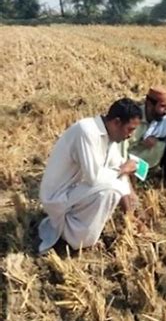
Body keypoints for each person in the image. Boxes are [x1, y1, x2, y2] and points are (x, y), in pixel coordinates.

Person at [38, 98, 142, 253]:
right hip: (57, 196)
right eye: (130, 129)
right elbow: (94, 177)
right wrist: (124, 170)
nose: (131, 136)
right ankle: (73, 236)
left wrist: (131, 216)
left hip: (74, 191)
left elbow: (116, 168)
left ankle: (73, 227)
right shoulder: (86, 131)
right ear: (117, 122)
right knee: (112, 189)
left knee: (117, 184)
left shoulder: (110, 137)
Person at [123, 86, 166, 168]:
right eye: (162, 106)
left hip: (148, 166)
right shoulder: (132, 120)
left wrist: (157, 138)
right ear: (150, 104)